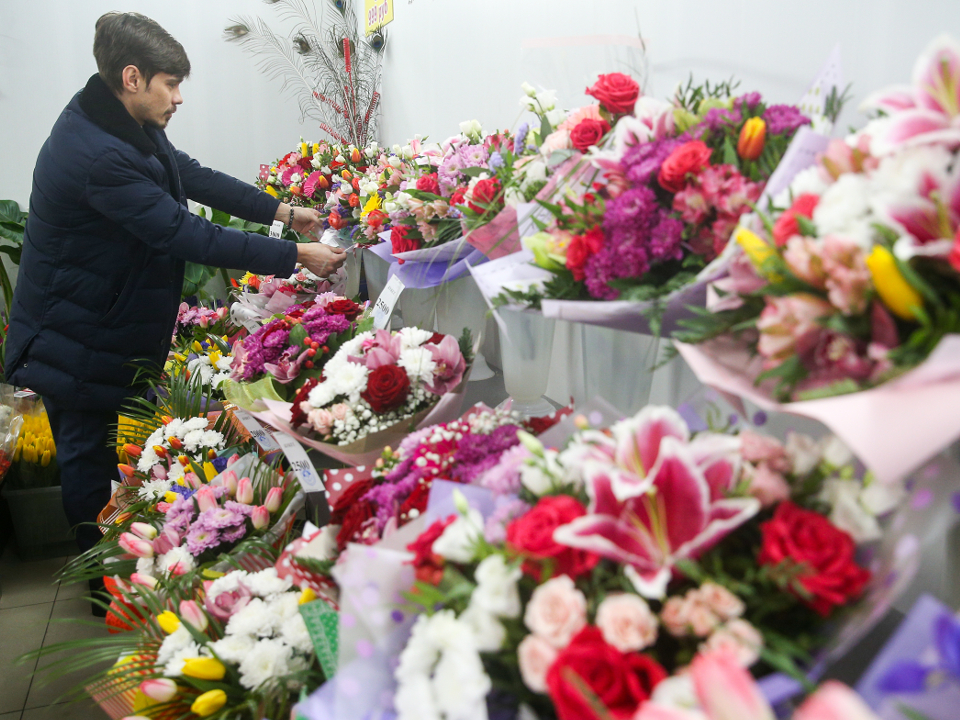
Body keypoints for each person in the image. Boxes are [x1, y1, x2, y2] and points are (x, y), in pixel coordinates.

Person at [5, 12, 346, 566]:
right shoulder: (97, 154)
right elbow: (183, 233)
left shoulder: (120, 121)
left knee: (119, 457)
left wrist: (283, 211)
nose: (179, 97)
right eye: (172, 83)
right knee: (89, 464)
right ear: (133, 78)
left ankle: (130, 563)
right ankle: (106, 584)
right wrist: (295, 256)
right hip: (74, 336)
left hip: (101, 324)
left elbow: (192, 174)